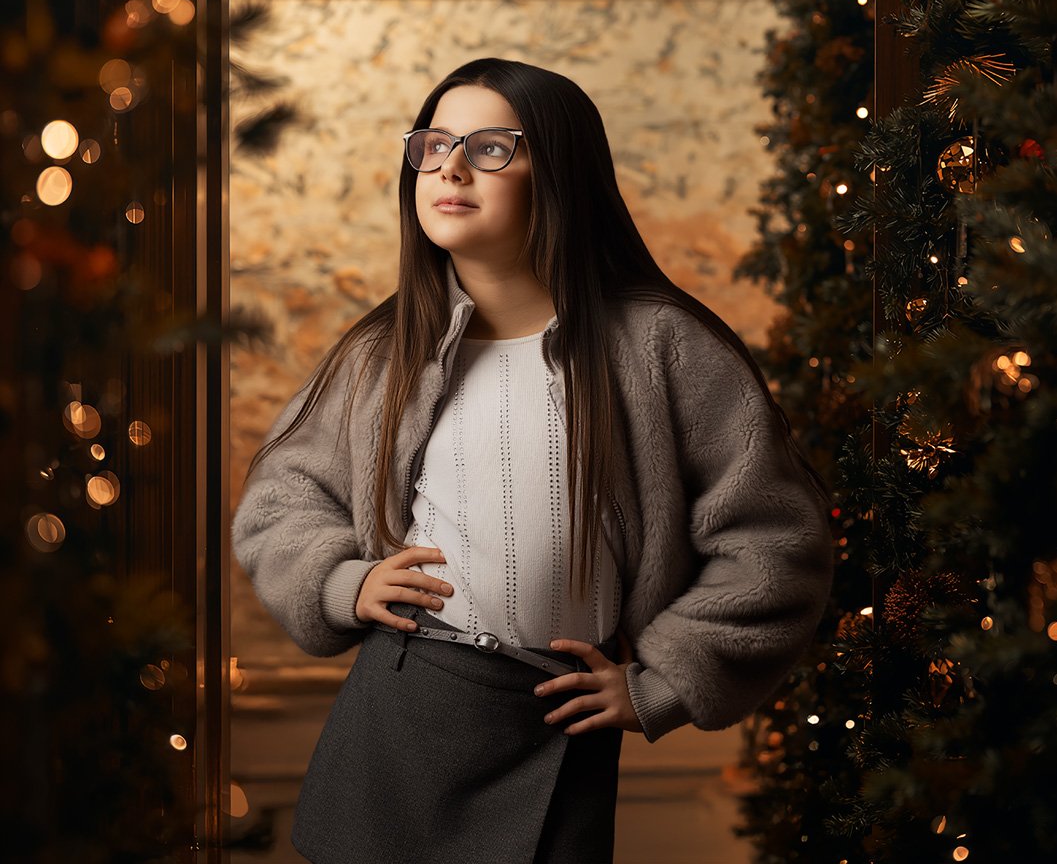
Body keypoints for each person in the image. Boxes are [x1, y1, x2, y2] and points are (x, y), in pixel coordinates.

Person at [231, 57, 835, 864]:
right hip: (402, 715)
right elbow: (278, 502)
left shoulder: (661, 346)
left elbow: (776, 544)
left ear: (563, 174)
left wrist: (663, 680)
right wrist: (344, 582)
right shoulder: (383, 354)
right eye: (434, 143)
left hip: (558, 727)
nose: (449, 166)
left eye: (490, 148)